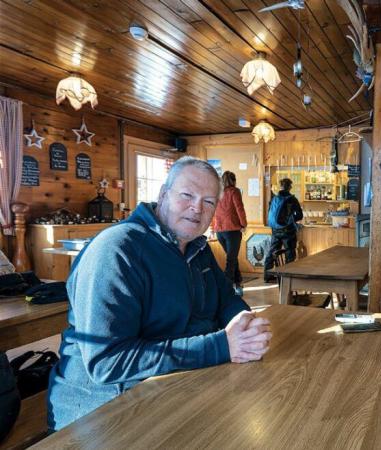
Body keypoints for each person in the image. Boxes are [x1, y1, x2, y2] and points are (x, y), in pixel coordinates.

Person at [47, 157, 272, 431]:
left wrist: (245, 326)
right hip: (104, 412)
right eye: (187, 195)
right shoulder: (116, 250)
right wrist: (221, 346)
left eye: (209, 201)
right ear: (163, 194)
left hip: (177, 389)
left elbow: (227, 299)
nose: (196, 208)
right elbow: (107, 363)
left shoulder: (197, 249)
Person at [212, 171, 247, 296]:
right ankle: (227, 292)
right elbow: (239, 208)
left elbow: (213, 210)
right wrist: (244, 224)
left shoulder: (217, 193)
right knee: (230, 261)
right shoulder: (234, 191)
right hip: (232, 230)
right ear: (233, 180)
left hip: (219, 231)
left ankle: (238, 284)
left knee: (232, 258)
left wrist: (212, 227)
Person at [263, 178, 303, 283]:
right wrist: (291, 219)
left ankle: (267, 276)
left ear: (280, 187)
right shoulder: (292, 199)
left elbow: (270, 213)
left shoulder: (274, 198)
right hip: (288, 231)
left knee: (272, 251)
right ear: (290, 187)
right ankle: (287, 278)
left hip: (275, 230)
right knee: (289, 253)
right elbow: (299, 215)